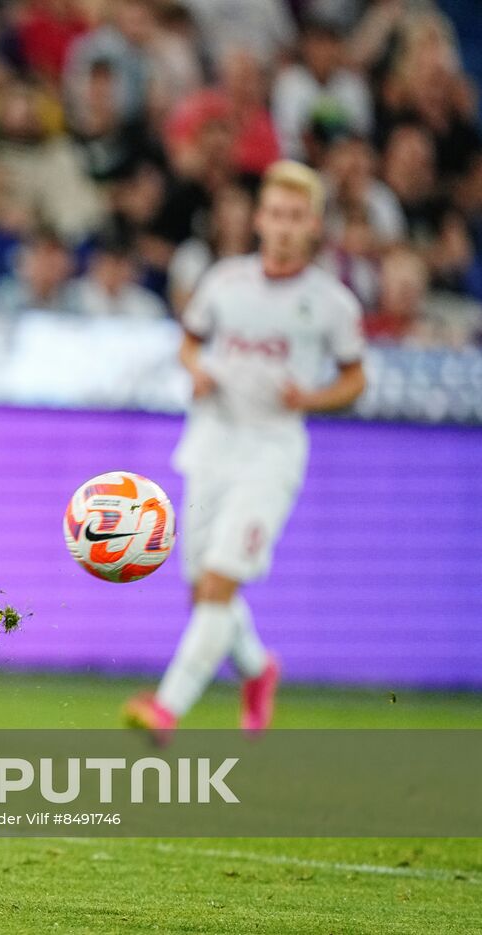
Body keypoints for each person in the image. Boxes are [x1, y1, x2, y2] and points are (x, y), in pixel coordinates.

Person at [123, 161, 366, 743]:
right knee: (200, 592)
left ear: (313, 225)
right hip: (210, 445)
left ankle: (166, 707)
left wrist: (311, 396)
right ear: (259, 218)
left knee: (219, 584)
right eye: (275, 214)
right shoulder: (225, 282)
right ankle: (258, 669)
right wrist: (197, 372)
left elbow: (356, 378)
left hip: (271, 454)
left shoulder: (331, 303)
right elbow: (189, 342)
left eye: (296, 217)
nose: (283, 227)